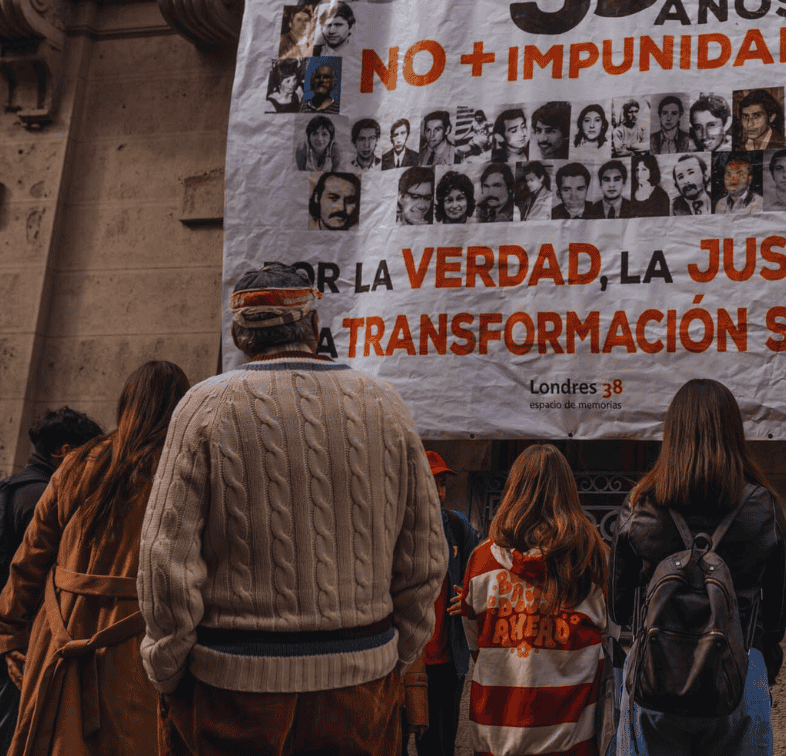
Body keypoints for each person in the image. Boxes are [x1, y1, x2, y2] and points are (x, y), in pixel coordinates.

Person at [139, 263, 447, 756]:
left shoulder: (205, 407)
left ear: (240, 336)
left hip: (232, 693)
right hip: (360, 693)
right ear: (316, 327)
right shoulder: (385, 405)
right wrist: (391, 657)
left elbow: (164, 562)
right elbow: (427, 558)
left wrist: (169, 670)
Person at [0, 365, 187, 756]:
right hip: (139, 646)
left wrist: (9, 631)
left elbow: (31, 556)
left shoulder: (78, 462)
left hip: (62, 635)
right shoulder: (185, 467)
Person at [612, 379, 786, 756]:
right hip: (740, 672)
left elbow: (617, 605)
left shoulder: (641, 503)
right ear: (733, 432)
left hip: (655, 675)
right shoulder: (764, 506)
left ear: (672, 431)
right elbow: (778, 612)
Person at [0, 409, 102, 756]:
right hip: (9, 649)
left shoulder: (6, 488)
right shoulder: (42, 500)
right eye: (89, 454)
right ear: (64, 452)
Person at [459, 445, 608, 756]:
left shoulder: (481, 560)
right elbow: (608, 635)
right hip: (570, 740)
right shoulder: (594, 559)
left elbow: (476, 645)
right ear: (568, 491)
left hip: (495, 739)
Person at [415, 452, 479, 756]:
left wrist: (467, 597)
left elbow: (478, 575)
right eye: (433, 483)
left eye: (443, 485)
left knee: (445, 741)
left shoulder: (457, 526)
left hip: (450, 655)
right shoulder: (402, 529)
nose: (440, 492)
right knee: (416, 736)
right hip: (411, 659)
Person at [631, 153, 669, 217]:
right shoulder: (632, 191)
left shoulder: (661, 195)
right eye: (637, 169)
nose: (639, 174)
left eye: (644, 169)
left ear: (652, 170)